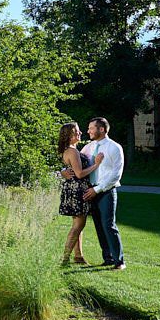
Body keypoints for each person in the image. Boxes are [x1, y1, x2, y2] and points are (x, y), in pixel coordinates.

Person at [62, 116, 126, 270]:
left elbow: (116, 175)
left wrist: (97, 190)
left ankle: (119, 261)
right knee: (99, 226)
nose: (88, 131)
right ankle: (108, 258)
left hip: (105, 191)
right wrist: (63, 171)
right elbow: (75, 164)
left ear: (101, 129)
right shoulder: (88, 148)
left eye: (91, 128)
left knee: (108, 225)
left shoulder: (114, 147)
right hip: (89, 192)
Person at [57, 122, 104, 265]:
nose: (80, 133)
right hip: (78, 189)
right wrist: (96, 164)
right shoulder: (72, 151)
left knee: (78, 223)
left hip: (72, 188)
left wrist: (62, 173)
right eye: (76, 132)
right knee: (78, 225)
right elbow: (79, 173)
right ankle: (64, 258)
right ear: (69, 135)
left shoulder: (71, 149)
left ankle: (78, 256)